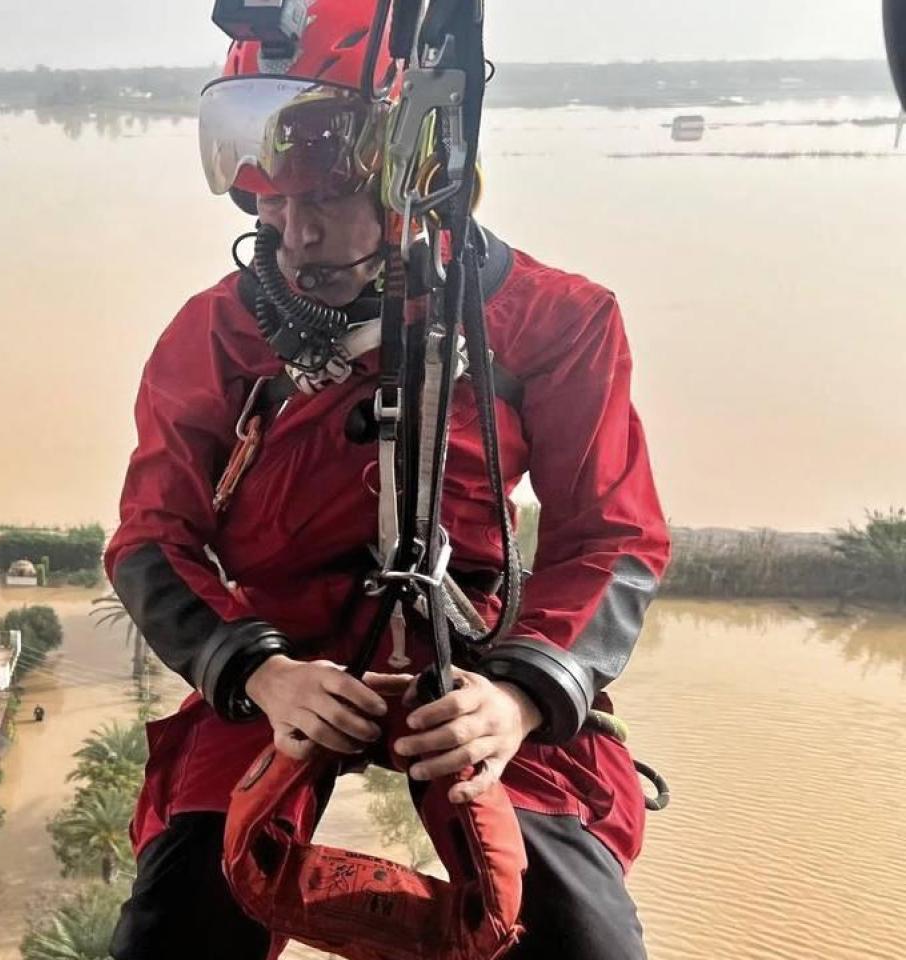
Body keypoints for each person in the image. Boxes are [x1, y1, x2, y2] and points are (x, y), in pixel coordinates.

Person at [103, 2, 671, 958]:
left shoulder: (552, 320)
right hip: (287, 661)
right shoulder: (216, 334)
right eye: (270, 202)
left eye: (322, 197)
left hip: (473, 661)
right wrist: (261, 674)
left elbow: (612, 537)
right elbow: (151, 538)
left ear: (415, 180)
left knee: (579, 936)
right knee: (177, 926)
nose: (294, 230)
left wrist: (522, 699)